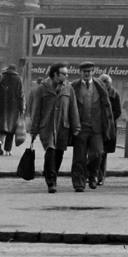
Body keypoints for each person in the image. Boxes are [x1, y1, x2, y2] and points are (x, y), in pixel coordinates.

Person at [26, 63, 79, 192]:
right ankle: (51, 182)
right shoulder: (42, 88)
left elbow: (73, 109)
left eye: (67, 74)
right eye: (64, 74)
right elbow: (37, 110)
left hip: (63, 126)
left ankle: (51, 174)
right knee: (50, 151)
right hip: (47, 126)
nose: (66, 76)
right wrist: (34, 130)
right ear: (55, 74)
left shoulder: (69, 89)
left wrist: (76, 127)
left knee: (59, 153)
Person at [71, 62, 121, 191]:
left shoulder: (100, 86)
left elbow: (108, 106)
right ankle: (79, 183)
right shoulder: (74, 86)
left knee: (98, 153)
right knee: (79, 157)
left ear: (93, 72)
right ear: (80, 72)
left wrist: (108, 125)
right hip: (80, 128)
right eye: (84, 72)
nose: (87, 74)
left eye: (89, 71)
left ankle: (93, 175)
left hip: (96, 128)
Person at [0, 63, 25, 154]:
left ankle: (0, 142)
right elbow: (21, 95)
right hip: (14, 107)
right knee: (11, 129)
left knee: (1, 127)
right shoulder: (18, 79)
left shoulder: (0, 77)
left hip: (1, 105)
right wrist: (22, 107)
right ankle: (8, 150)